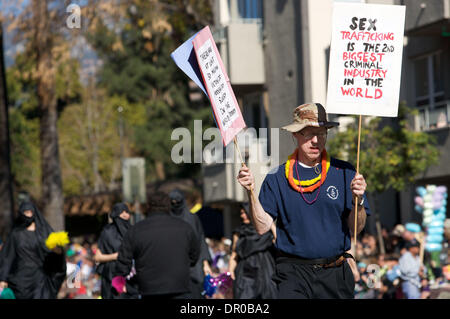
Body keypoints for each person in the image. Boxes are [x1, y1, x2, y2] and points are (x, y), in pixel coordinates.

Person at [237, 103, 371, 299]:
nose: (316, 140)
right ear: (295, 135)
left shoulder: (345, 172)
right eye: (308, 133)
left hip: (334, 272)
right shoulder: (277, 176)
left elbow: (356, 228)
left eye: (322, 133)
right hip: (293, 273)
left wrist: (357, 202)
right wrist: (250, 192)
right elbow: (262, 227)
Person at [114, 192, 200, 299]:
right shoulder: (185, 228)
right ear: (169, 206)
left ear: (148, 207)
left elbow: (123, 262)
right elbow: (194, 257)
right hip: (180, 287)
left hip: (149, 289)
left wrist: (119, 281)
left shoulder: (136, 231)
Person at [0, 201, 66, 299]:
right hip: (20, 281)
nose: (28, 215)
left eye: (30, 212)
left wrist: (57, 250)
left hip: (40, 280)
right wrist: (3, 278)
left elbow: (56, 255)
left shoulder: (44, 233)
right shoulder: (15, 235)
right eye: (25, 212)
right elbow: (7, 258)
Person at [169, 189, 213, 298]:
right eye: (172, 203)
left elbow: (200, 240)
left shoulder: (192, 218)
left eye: (177, 202)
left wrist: (205, 263)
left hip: (194, 266)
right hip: (173, 267)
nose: (175, 206)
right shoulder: (167, 220)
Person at [229, 203, 277, 299]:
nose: (242, 216)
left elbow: (277, 239)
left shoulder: (265, 230)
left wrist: (270, 222)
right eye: (241, 213)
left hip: (265, 270)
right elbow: (234, 253)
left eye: (245, 213)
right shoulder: (239, 232)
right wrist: (231, 270)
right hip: (245, 271)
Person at [95, 203, 139, 299]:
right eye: (121, 212)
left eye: (127, 212)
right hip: (111, 275)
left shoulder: (133, 231)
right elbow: (97, 257)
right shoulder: (107, 232)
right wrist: (116, 256)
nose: (124, 215)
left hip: (131, 275)